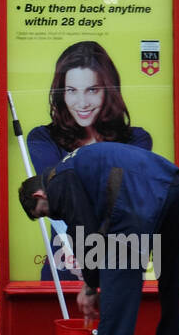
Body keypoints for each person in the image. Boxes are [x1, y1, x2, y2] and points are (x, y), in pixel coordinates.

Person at [20, 142, 179, 335]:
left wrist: (90, 287)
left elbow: (83, 232)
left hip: (136, 195)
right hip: (175, 186)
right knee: (170, 275)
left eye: (44, 212)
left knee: (119, 275)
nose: (53, 216)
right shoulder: (73, 167)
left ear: (39, 195)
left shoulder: (57, 181)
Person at [28, 41, 152, 280]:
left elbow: (127, 199)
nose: (82, 102)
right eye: (72, 90)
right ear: (61, 92)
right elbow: (58, 192)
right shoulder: (43, 138)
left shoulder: (137, 139)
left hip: (120, 262)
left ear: (108, 90)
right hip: (65, 263)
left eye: (92, 90)